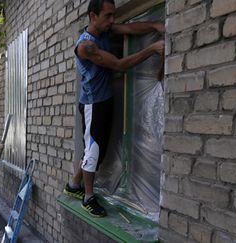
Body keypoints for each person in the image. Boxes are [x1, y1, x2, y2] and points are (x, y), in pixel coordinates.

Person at [63, 0, 164, 217]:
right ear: (93, 16)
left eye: (113, 15)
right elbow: (118, 65)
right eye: (107, 16)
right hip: (93, 104)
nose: (112, 20)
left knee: (95, 148)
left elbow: (129, 29)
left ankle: (73, 185)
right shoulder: (86, 46)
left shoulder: (106, 29)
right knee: (93, 150)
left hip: (105, 99)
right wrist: (152, 48)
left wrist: (155, 25)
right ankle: (88, 197)